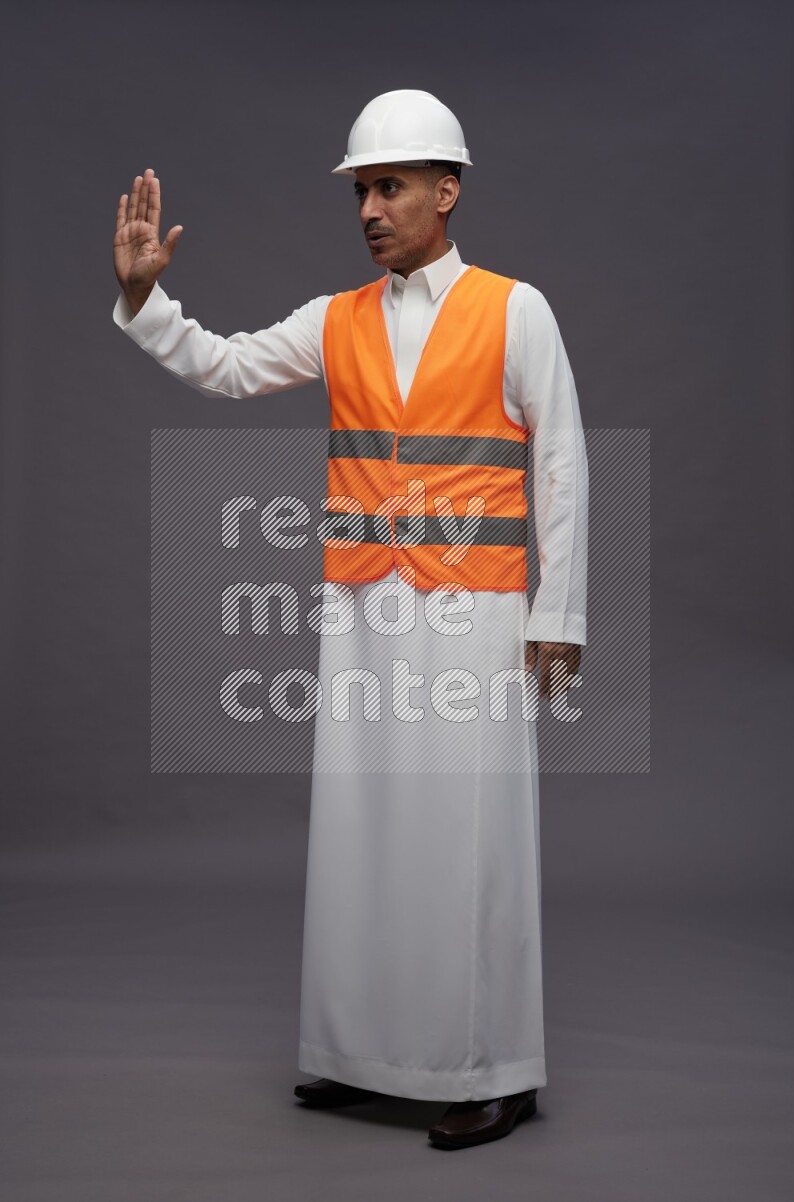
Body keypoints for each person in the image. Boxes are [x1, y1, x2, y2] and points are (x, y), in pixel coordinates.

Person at [112, 89, 588, 1150]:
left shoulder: (516, 311)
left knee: (471, 840)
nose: (369, 207)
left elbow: (558, 462)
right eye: (361, 190)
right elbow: (229, 367)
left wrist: (558, 612)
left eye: (389, 186)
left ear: (444, 189)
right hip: (362, 603)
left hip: (474, 612)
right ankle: (356, 1052)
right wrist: (148, 303)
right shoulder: (336, 319)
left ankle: (491, 1067)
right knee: (363, 829)